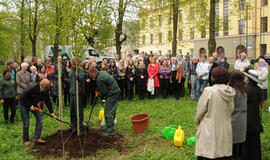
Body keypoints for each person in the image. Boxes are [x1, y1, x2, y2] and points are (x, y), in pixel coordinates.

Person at [195, 67, 235, 160]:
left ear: (213, 78)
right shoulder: (230, 91)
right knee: (222, 153)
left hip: (209, 128)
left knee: (209, 152)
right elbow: (231, 109)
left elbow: (200, 111)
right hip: (225, 128)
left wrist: (197, 121)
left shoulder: (209, 91)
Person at [19, 79, 57, 146]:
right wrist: (30, 106)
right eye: (45, 88)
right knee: (26, 122)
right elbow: (22, 97)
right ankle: (26, 140)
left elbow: (48, 100)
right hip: (24, 105)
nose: (46, 89)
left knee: (40, 118)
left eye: (47, 88)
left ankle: (37, 138)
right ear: (41, 84)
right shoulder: (32, 87)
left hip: (34, 104)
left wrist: (52, 112)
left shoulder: (46, 89)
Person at [88, 67, 120, 136]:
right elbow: (102, 87)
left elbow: (104, 91)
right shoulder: (101, 73)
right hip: (115, 91)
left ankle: (110, 131)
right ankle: (109, 127)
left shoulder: (99, 78)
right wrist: (98, 90)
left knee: (108, 111)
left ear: (94, 73)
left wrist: (99, 95)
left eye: (91, 75)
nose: (91, 77)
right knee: (111, 110)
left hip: (112, 93)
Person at [243, 69, 263, 160]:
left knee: (247, 143)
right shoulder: (259, 89)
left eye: (246, 76)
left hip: (247, 120)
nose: (245, 77)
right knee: (255, 143)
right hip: (256, 119)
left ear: (249, 78)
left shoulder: (246, 89)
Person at [228, 70, 247, 160]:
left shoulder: (233, 91)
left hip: (233, 120)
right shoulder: (243, 90)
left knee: (233, 144)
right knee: (240, 144)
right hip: (242, 119)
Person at [69, 57, 85, 130]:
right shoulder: (71, 70)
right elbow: (70, 79)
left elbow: (81, 78)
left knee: (78, 109)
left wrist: (77, 76)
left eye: (73, 64)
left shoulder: (80, 70)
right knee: (72, 109)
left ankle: (80, 124)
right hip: (72, 92)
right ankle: (73, 124)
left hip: (78, 92)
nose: (72, 65)